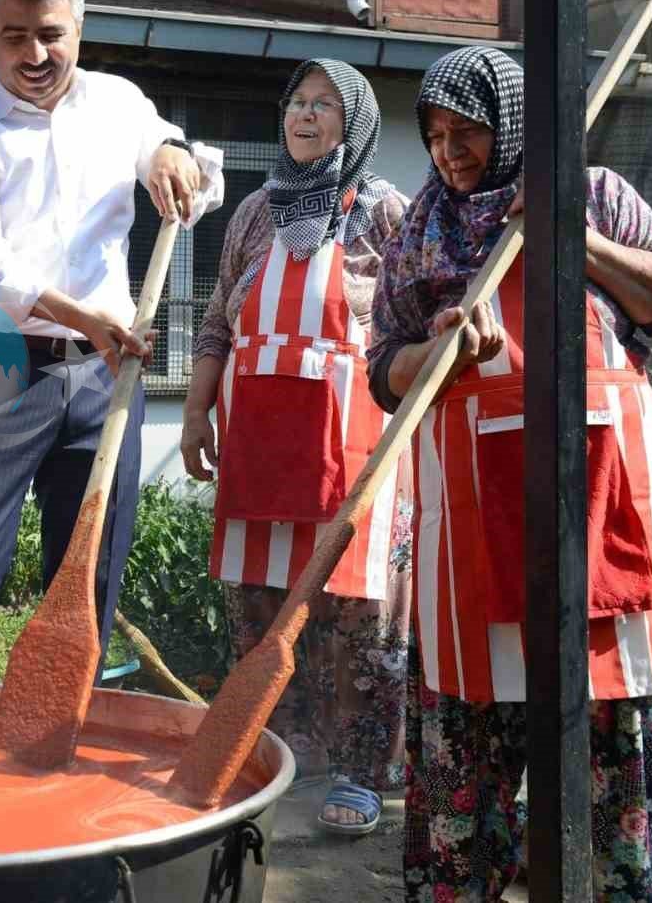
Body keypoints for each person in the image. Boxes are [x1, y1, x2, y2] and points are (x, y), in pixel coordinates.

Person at [368, 46, 652, 901]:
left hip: (601, 503)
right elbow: (381, 369)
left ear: (513, 123)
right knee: (466, 742)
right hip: (473, 516)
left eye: (469, 130)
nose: (451, 152)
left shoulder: (594, 192)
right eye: (436, 133)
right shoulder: (420, 229)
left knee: (612, 730)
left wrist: (575, 238)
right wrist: (434, 351)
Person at [0, 0, 222, 683]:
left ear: (79, 28)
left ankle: (54, 737)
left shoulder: (120, 104)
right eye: (14, 35)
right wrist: (81, 317)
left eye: (51, 34)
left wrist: (173, 155)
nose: (35, 53)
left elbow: (187, 174)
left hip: (104, 374)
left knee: (86, 579)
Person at [179, 58, 413, 836]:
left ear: (357, 123)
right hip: (260, 437)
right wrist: (195, 415)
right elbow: (217, 320)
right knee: (260, 599)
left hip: (356, 438)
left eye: (326, 106)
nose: (306, 117)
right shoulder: (253, 212)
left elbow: (419, 321)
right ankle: (285, 748)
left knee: (356, 608)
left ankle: (361, 769)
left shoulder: (385, 212)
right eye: (297, 104)